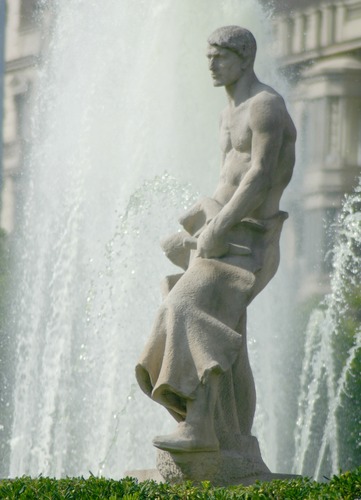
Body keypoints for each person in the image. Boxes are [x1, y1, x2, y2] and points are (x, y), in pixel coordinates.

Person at [136, 26, 296, 454]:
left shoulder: (266, 106)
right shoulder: (227, 113)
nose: (211, 64)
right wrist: (200, 225)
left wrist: (218, 229)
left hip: (251, 240)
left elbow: (260, 175)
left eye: (220, 56)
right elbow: (227, 179)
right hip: (222, 232)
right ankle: (235, 437)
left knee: (186, 309)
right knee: (228, 334)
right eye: (209, 56)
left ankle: (199, 424)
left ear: (245, 58)